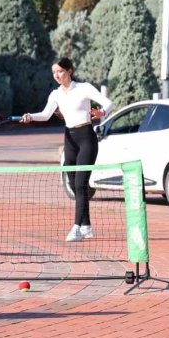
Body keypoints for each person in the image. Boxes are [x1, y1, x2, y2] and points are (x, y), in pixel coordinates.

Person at [21, 57, 113, 242]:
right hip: (69, 139)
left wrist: (101, 112)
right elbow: (46, 115)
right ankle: (87, 226)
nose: (57, 75)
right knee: (74, 185)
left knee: (80, 184)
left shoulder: (84, 88)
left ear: (69, 71)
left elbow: (108, 103)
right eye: (54, 72)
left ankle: (77, 228)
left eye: (60, 71)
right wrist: (30, 116)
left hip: (87, 138)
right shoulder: (55, 94)